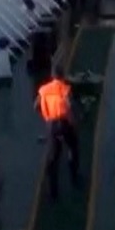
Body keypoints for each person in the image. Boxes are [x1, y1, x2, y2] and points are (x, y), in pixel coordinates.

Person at [35, 66, 80, 200]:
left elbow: (36, 105)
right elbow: (69, 106)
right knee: (73, 147)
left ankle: (53, 192)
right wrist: (73, 122)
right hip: (64, 123)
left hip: (51, 125)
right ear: (63, 75)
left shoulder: (44, 90)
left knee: (53, 159)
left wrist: (46, 116)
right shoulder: (65, 89)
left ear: (52, 75)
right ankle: (74, 176)